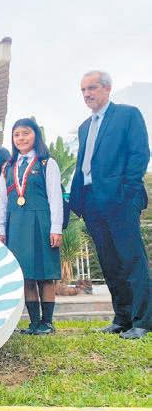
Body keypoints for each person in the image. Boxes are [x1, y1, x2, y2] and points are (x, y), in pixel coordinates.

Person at [69, 71, 150, 339]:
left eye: (92, 88)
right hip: (92, 201)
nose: (87, 94)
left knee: (131, 259)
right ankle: (122, 318)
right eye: (83, 90)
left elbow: (139, 153)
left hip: (120, 199)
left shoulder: (127, 115)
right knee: (109, 261)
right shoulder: (84, 126)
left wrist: (127, 192)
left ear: (107, 88)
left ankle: (142, 321)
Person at [0, 118, 63, 335]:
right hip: (16, 224)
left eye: (26, 133)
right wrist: (0, 229)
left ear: (36, 136)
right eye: (16, 135)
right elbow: (1, 201)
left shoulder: (46, 163)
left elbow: (55, 198)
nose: (21, 138)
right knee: (25, 275)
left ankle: (47, 323)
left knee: (45, 273)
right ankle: (34, 323)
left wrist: (56, 228)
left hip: (41, 222)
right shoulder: (8, 167)